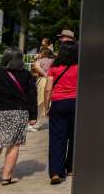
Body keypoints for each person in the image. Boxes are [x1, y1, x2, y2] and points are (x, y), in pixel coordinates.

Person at [0, 48, 37, 187]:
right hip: (17, 111)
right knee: (14, 144)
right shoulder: (26, 75)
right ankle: (6, 177)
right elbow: (31, 96)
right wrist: (33, 115)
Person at [46, 41, 79, 184]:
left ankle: (55, 172)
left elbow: (48, 89)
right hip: (76, 103)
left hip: (58, 103)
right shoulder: (79, 67)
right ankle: (71, 167)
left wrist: (47, 107)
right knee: (74, 136)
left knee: (57, 139)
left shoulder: (54, 67)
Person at [33, 46, 55, 123]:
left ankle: (36, 122)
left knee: (39, 101)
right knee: (49, 100)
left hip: (42, 80)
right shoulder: (53, 60)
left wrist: (45, 75)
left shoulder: (40, 60)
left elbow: (36, 67)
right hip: (52, 81)